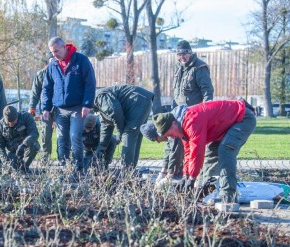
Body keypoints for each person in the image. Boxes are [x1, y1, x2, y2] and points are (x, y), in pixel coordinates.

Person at [152, 99, 256, 203]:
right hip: (226, 125)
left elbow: (197, 152)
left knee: (225, 150)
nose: (172, 137)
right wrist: (185, 176)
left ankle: (228, 195)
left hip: (243, 118)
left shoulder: (191, 121)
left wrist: (192, 179)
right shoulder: (182, 128)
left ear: (173, 124)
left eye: (170, 134)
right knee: (211, 153)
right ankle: (208, 190)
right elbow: (189, 154)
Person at [158, 40, 215, 185]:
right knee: (171, 140)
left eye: (184, 54)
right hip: (178, 110)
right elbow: (176, 92)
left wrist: (207, 111)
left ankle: (174, 173)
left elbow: (207, 91)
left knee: (179, 141)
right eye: (179, 54)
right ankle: (166, 170)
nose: (182, 57)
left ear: (190, 53)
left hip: (193, 113)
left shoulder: (199, 67)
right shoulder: (179, 67)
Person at [41, 36, 96, 175]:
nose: (54, 55)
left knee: (74, 137)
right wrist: (45, 108)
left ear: (65, 47)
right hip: (60, 110)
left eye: (56, 51)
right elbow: (47, 88)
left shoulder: (81, 61)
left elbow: (90, 83)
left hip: (77, 108)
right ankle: (65, 168)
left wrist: (87, 104)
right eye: (52, 52)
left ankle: (78, 170)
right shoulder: (52, 65)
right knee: (62, 140)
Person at [93, 85, 153, 168]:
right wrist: (101, 148)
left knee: (129, 133)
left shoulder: (99, 96)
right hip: (141, 99)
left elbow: (115, 112)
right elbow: (106, 125)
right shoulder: (97, 103)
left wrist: (119, 132)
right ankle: (131, 169)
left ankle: (126, 170)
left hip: (137, 99)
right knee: (135, 135)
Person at [0, 106, 40, 173]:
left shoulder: (26, 117)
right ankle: (21, 170)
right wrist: (5, 162)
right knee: (11, 170)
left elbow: (34, 133)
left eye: (14, 121)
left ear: (17, 117)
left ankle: (24, 167)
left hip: (26, 148)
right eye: (9, 122)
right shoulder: (0, 126)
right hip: (13, 153)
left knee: (34, 146)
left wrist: (24, 144)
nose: (12, 124)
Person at [29, 53, 54, 159]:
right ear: (48, 62)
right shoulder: (41, 75)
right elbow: (35, 93)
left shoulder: (64, 72)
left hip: (61, 109)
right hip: (45, 110)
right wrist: (32, 108)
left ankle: (65, 158)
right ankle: (45, 158)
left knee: (64, 135)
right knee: (45, 134)